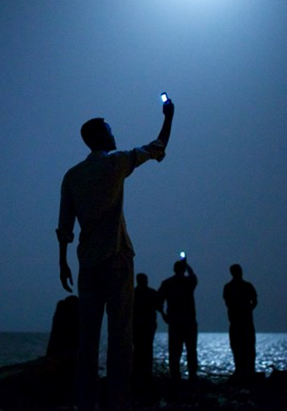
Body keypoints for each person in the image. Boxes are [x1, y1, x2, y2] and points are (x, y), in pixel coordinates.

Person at [56, 100, 174, 411]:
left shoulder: (72, 176)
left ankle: (86, 401)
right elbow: (158, 146)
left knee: (88, 338)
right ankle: (118, 401)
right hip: (117, 257)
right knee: (120, 335)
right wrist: (169, 117)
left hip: (87, 263)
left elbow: (64, 227)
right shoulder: (117, 163)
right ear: (101, 137)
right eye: (109, 131)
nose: (113, 135)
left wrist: (62, 262)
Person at [158, 258, 199, 381]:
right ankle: (192, 376)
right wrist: (187, 265)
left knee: (175, 351)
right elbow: (193, 276)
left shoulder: (168, 283)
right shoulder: (188, 282)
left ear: (174, 269)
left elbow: (158, 300)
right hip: (188, 321)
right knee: (191, 351)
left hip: (175, 322)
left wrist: (164, 315)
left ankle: (175, 376)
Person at [223, 264, 258, 379]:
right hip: (243, 321)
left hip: (238, 321)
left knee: (239, 346)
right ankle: (247, 371)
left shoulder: (229, 287)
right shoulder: (246, 286)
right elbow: (255, 301)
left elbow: (228, 303)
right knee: (246, 346)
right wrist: (247, 309)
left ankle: (242, 370)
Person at [133, 273, 161, 387]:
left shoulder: (133, 293)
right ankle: (146, 373)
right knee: (147, 349)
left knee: (138, 349)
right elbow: (159, 306)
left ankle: (138, 373)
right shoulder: (151, 293)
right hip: (146, 325)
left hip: (138, 325)